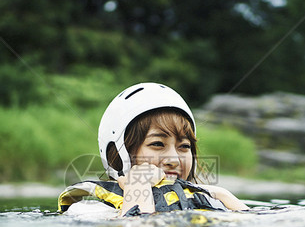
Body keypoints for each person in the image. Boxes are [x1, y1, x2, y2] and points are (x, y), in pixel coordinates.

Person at [59, 82, 248, 216]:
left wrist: (221, 194)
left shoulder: (209, 201)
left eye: (184, 146)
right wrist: (137, 185)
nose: (174, 159)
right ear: (116, 155)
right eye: (157, 144)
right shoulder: (91, 211)